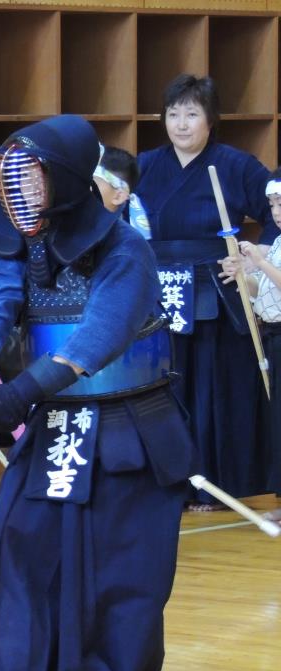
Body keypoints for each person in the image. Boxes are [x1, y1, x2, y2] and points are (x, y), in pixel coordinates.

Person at [0, 115, 195, 671]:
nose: (24, 192)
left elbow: (96, 337)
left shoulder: (125, 249)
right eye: (16, 180)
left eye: (36, 178)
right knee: (17, 540)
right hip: (59, 422)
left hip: (130, 428)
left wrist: (23, 391)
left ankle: (100, 670)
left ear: (69, 178)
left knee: (118, 562)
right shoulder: (21, 243)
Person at [134, 74, 277, 511]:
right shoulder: (144, 166)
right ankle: (168, 484)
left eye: (192, 114)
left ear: (211, 120)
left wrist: (254, 258)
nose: (181, 124)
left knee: (216, 389)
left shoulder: (235, 165)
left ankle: (217, 484)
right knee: (165, 388)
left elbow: (275, 216)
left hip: (217, 288)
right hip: (160, 289)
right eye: (173, 114)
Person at [220, 167, 281, 521]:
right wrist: (244, 274)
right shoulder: (278, 243)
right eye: (272, 204)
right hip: (273, 333)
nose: (276, 211)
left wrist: (258, 261)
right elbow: (265, 290)